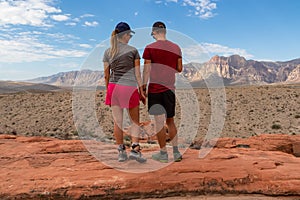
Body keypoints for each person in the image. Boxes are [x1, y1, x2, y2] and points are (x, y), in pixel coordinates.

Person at [103, 22, 146, 163]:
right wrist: (142, 91)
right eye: (130, 35)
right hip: (130, 87)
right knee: (135, 122)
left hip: (114, 88)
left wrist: (108, 90)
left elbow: (106, 75)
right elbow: (137, 74)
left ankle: (121, 152)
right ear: (125, 35)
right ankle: (135, 149)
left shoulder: (108, 52)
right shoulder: (133, 51)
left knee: (118, 122)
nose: (130, 37)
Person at [142, 21, 183, 163]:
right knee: (170, 121)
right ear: (165, 32)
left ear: (154, 32)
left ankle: (163, 154)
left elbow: (146, 70)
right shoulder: (176, 47)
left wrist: (143, 87)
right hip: (170, 89)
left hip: (155, 89)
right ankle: (176, 153)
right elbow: (179, 68)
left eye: (152, 34)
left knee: (159, 123)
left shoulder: (149, 48)